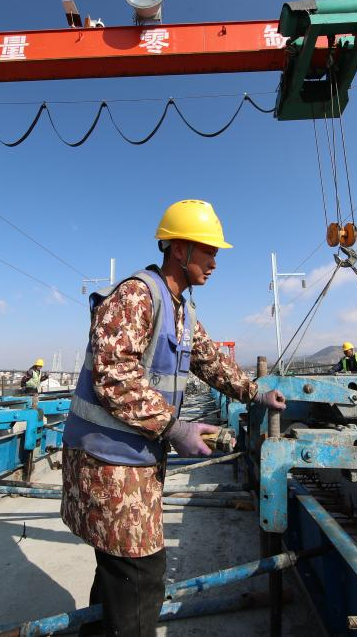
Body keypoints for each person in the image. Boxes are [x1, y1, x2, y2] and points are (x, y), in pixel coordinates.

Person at [61, 199, 287, 636]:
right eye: (209, 251)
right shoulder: (136, 295)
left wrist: (256, 393)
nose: (215, 263)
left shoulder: (181, 309)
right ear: (179, 249)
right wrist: (175, 427)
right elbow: (114, 376)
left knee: (118, 572)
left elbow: (210, 361)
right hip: (107, 463)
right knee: (140, 576)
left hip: (134, 461)